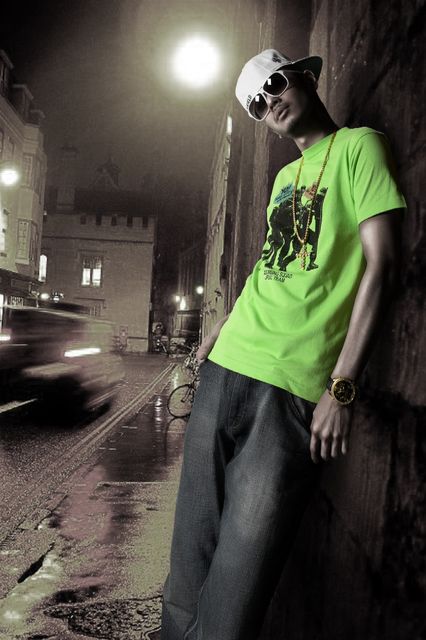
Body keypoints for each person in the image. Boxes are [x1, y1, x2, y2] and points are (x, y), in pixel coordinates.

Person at [160, 49, 406, 640]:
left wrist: (341, 389)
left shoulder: (360, 148)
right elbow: (270, 266)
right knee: (187, 564)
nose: (268, 102)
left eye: (273, 84)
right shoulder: (282, 178)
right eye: (256, 103)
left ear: (305, 76)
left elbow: (384, 266)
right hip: (226, 368)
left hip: (291, 391)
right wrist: (222, 325)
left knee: (238, 587)